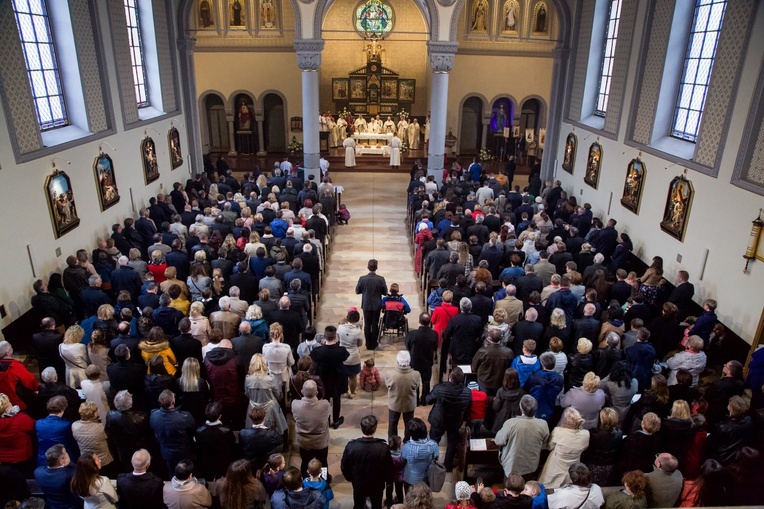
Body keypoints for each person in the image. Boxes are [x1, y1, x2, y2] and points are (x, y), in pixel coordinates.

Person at [341, 415, 394, 509]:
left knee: (358, 504)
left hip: (358, 483)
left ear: (361, 428)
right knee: (377, 504)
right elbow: (389, 467)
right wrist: (388, 480)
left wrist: (350, 478)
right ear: (375, 429)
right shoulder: (383, 448)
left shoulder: (351, 446)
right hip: (377, 483)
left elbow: (344, 466)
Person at [426, 367, 471, 471]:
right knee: (452, 443)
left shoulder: (439, 388)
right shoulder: (467, 392)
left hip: (439, 420)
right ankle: (447, 465)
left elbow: (428, 400)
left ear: (450, 376)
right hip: (454, 421)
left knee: (433, 441)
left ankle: (432, 463)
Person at [494, 394, 550, 478]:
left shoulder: (511, 423)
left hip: (512, 466)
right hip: (530, 465)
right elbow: (545, 440)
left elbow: (499, 440)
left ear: (521, 409)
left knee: (511, 488)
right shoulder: (543, 424)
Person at [539, 407, 590, 488]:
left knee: (548, 486)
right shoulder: (586, 434)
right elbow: (585, 448)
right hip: (573, 464)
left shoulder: (558, 431)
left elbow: (549, 447)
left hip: (556, 464)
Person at [150, 389, 196, 476]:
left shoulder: (153, 416)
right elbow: (192, 430)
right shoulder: (185, 417)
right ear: (173, 402)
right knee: (186, 473)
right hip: (184, 452)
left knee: (171, 472)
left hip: (166, 452)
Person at [310, 326, 349, 428]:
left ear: (324, 336)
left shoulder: (318, 351)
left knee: (325, 400)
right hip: (337, 379)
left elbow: (313, 360)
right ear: (335, 337)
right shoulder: (341, 350)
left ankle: (326, 420)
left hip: (324, 379)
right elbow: (345, 358)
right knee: (337, 400)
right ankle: (336, 421)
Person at [292, 380, 331, 477]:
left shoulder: (295, 404)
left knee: (305, 461)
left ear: (302, 392)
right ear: (317, 393)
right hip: (320, 441)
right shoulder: (325, 404)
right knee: (323, 462)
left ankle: (305, 479)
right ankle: (323, 480)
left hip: (304, 441)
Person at [194, 402, 237, 481]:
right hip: (223, 463)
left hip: (206, 463)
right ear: (220, 416)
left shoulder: (199, 431)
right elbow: (232, 443)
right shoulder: (226, 431)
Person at [386, 351, 421, 441]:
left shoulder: (390, 374)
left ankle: (393, 443)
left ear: (397, 362)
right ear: (409, 361)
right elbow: (416, 386)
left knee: (392, 425)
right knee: (409, 425)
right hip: (409, 403)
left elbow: (388, 386)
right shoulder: (416, 374)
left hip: (394, 403)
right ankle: (407, 442)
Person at [405, 313, 438, 404]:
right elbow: (435, 347)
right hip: (427, 361)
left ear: (419, 321)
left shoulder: (412, 334)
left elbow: (408, 346)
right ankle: (424, 400)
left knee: (415, 382)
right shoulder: (434, 334)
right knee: (426, 381)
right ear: (429, 322)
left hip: (415, 361)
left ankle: (415, 401)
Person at [355, 259, 388, 350]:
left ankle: (368, 344)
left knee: (367, 324)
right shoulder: (380, 279)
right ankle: (374, 343)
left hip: (366, 304)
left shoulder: (362, 279)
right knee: (375, 324)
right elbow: (385, 292)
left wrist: (365, 290)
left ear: (368, 267)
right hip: (376, 304)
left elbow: (357, 291)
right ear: (376, 268)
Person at [34, 444, 79, 509]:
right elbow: (79, 472)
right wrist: (69, 463)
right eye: (65, 452)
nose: (67, 454)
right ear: (61, 461)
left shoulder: (38, 472)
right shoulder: (69, 474)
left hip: (51, 506)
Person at [239, 405, 283, 471]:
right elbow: (280, 441)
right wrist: (272, 429)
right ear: (264, 418)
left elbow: (241, 445)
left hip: (250, 465)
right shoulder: (271, 433)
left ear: (251, 419)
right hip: (267, 465)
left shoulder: (243, 433)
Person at [400, 417, 439, 490]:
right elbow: (436, 458)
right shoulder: (433, 445)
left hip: (410, 479)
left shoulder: (406, 447)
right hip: (426, 479)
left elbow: (402, 460)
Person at [338, 308, 364, 399]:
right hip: (353, 356)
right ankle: (352, 393)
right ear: (357, 320)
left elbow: (338, 338)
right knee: (353, 376)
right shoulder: (358, 332)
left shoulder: (340, 328)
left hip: (342, 355)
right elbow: (360, 344)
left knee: (343, 376)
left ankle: (345, 391)